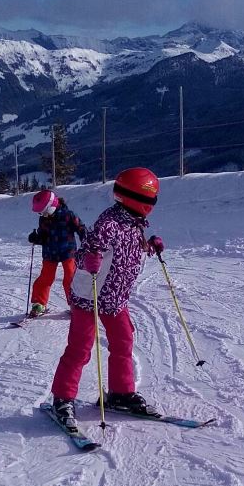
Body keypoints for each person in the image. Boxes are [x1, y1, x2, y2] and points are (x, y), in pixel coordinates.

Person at [49, 167, 166, 430]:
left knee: (123, 340)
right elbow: (85, 253)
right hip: (89, 296)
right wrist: (88, 258)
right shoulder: (108, 223)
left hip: (115, 298)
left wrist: (150, 245)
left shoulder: (133, 223)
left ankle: (120, 393)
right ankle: (63, 399)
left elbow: (125, 253)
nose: (151, 206)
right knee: (80, 348)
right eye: (149, 201)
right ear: (136, 198)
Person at [27, 190, 87, 317]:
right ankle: (39, 303)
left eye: (44, 211)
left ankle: (75, 304)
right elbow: (43, 236)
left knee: (70, 278)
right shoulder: (43, 219)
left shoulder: (68, 215)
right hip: (50, 252)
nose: (43, 215)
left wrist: (87, 241)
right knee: (45, 278)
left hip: (68, 251)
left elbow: (81, 228)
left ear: (52, 205)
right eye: (40, 213)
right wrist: (35, 238)